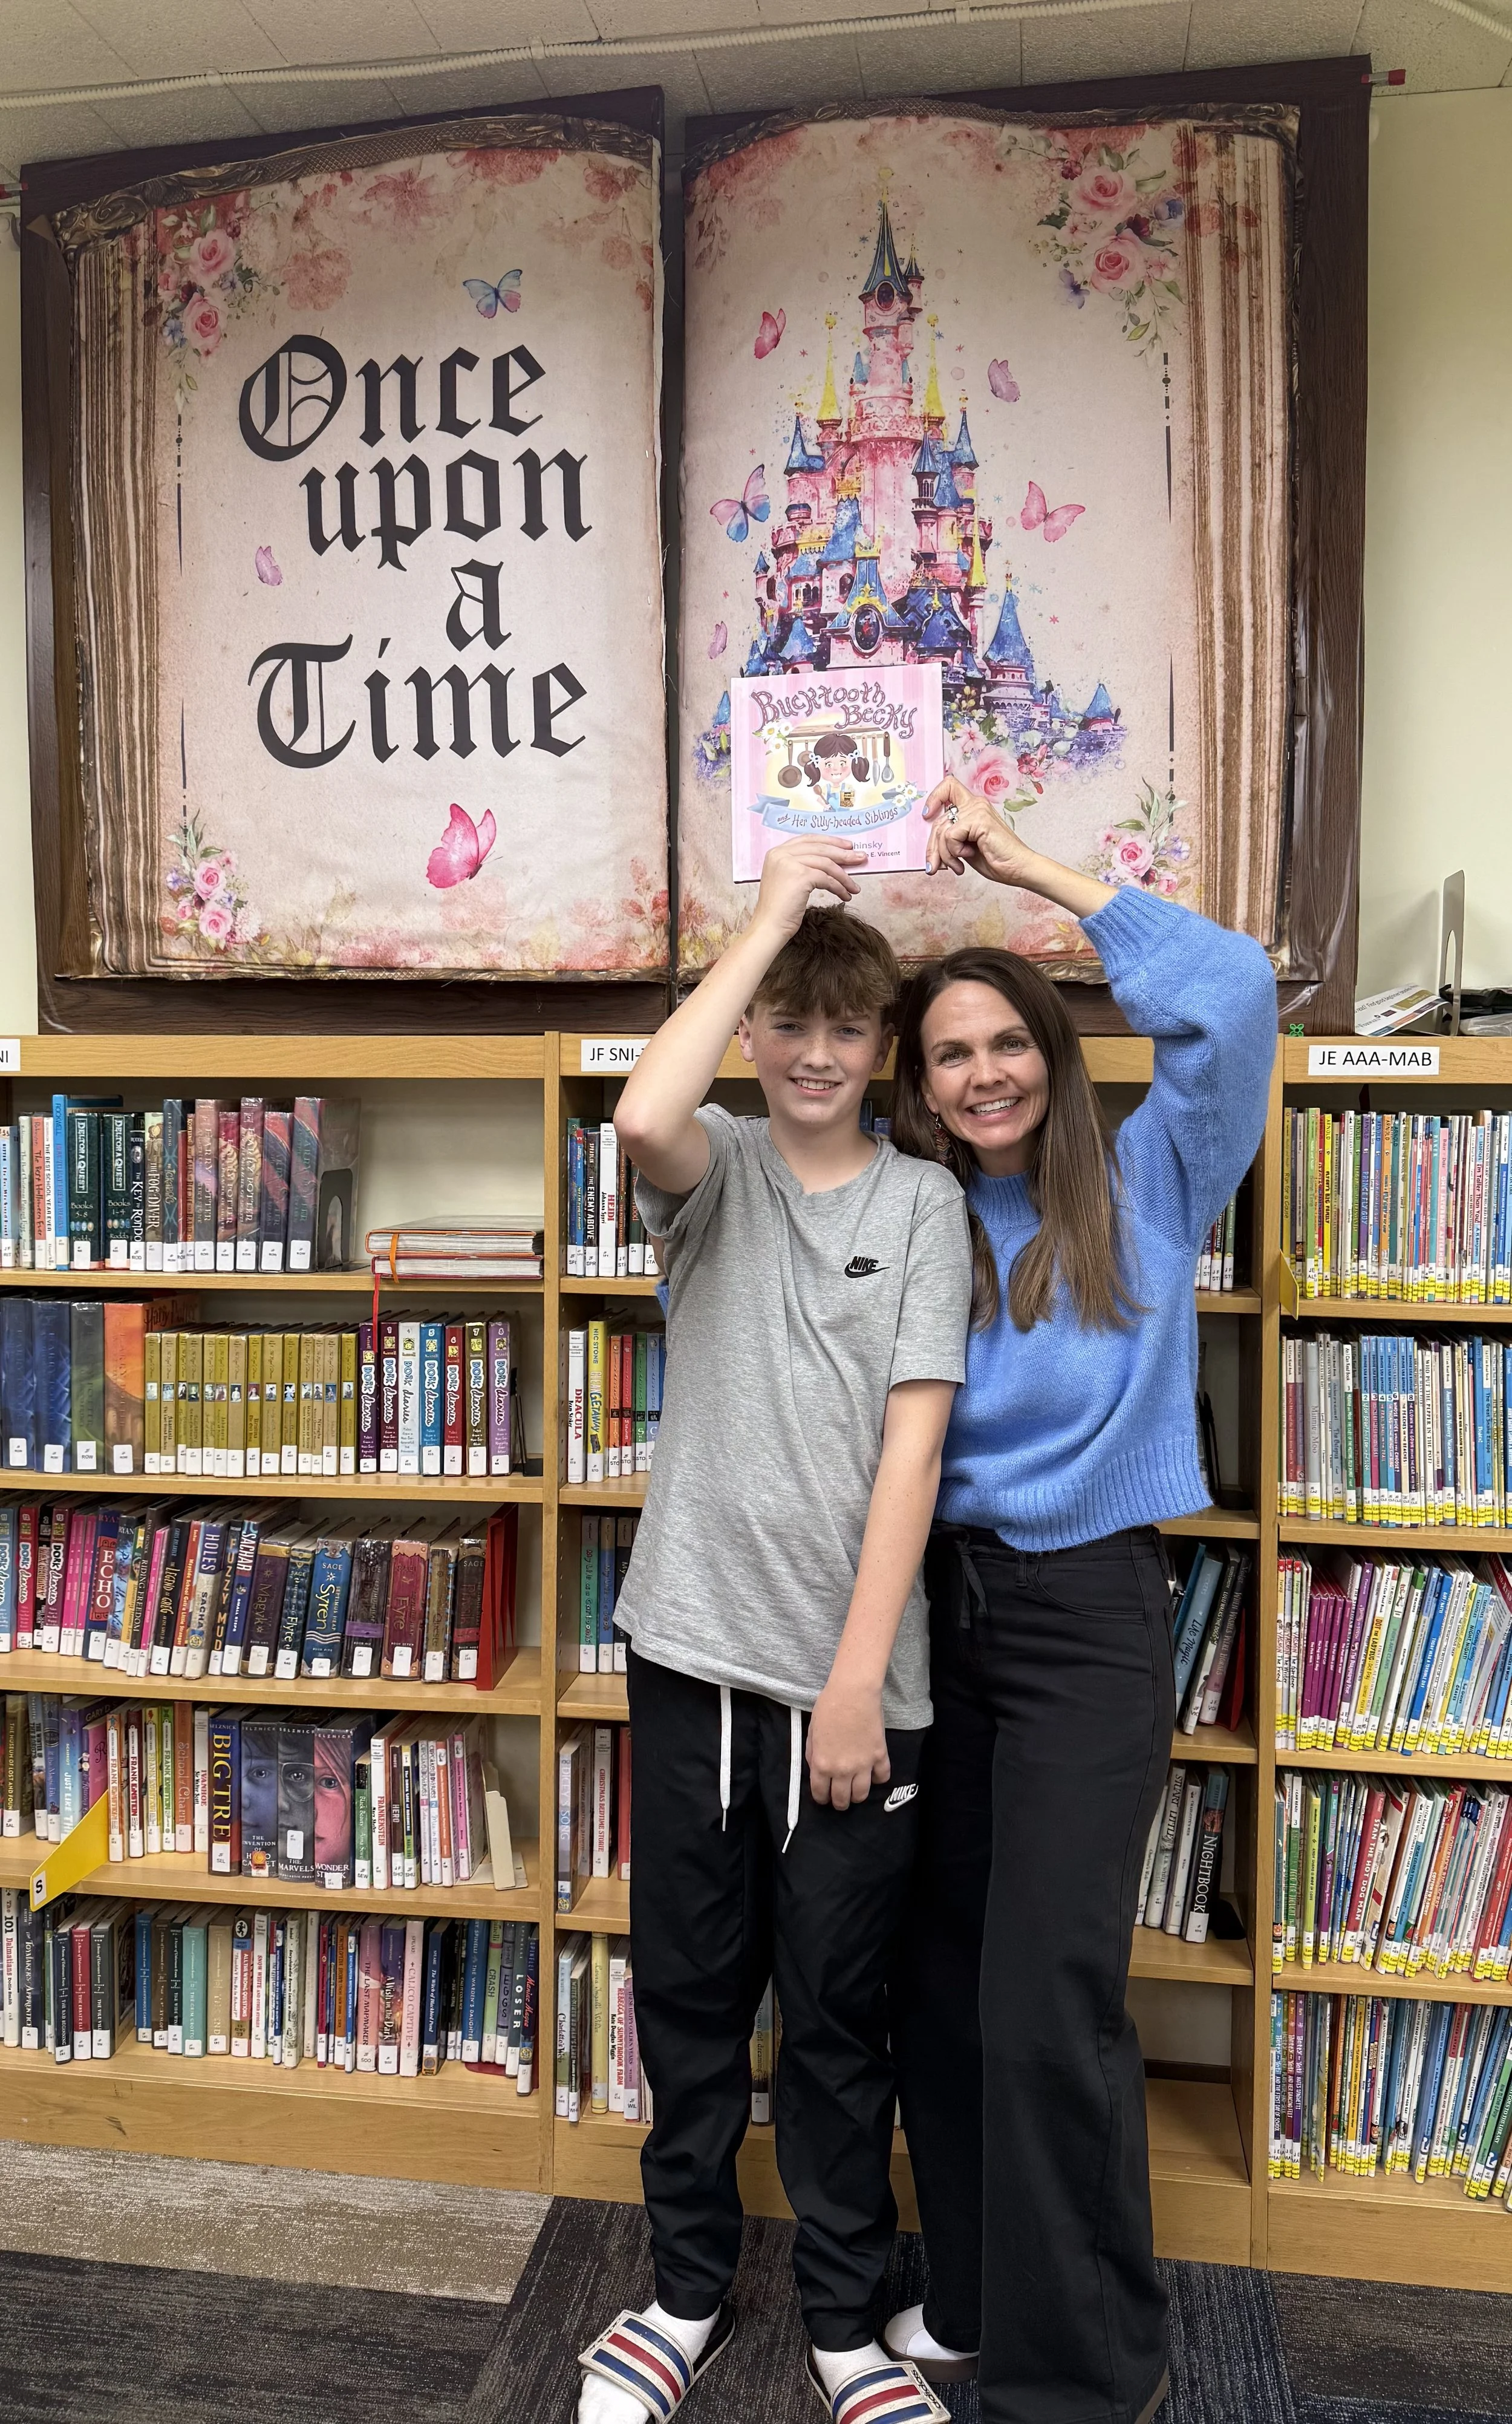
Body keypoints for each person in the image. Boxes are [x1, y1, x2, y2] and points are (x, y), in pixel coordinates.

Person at [883, 777, 1276, 2424]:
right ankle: (971, 2294)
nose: (981, 1073)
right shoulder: (908, 1215)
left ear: (1050, 1044)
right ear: (918, 1084)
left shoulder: (1150, 1171)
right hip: (927, 1619)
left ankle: (1086, 2367)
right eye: (948, 1054)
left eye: (1005, 1041)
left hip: (1081, 1618)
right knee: (944, 1976)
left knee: (1046, 1985)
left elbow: (1235, 993)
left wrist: (1022, 867)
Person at [575, 835, 973, 2424]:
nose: (815, 1054)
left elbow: (914, 1446)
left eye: (847, 1030)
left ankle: (843, 2316)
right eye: (788, 1024)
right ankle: (680, 2290)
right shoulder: (717, 1166)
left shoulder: (926, 1202)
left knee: (833, 2018)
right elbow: (639, 1113)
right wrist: (765, 923)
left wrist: (857, 1678)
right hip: (691, 1663)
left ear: (883, 1051)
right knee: (687, 1999)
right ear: (754, 1032)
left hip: (857, 1694)